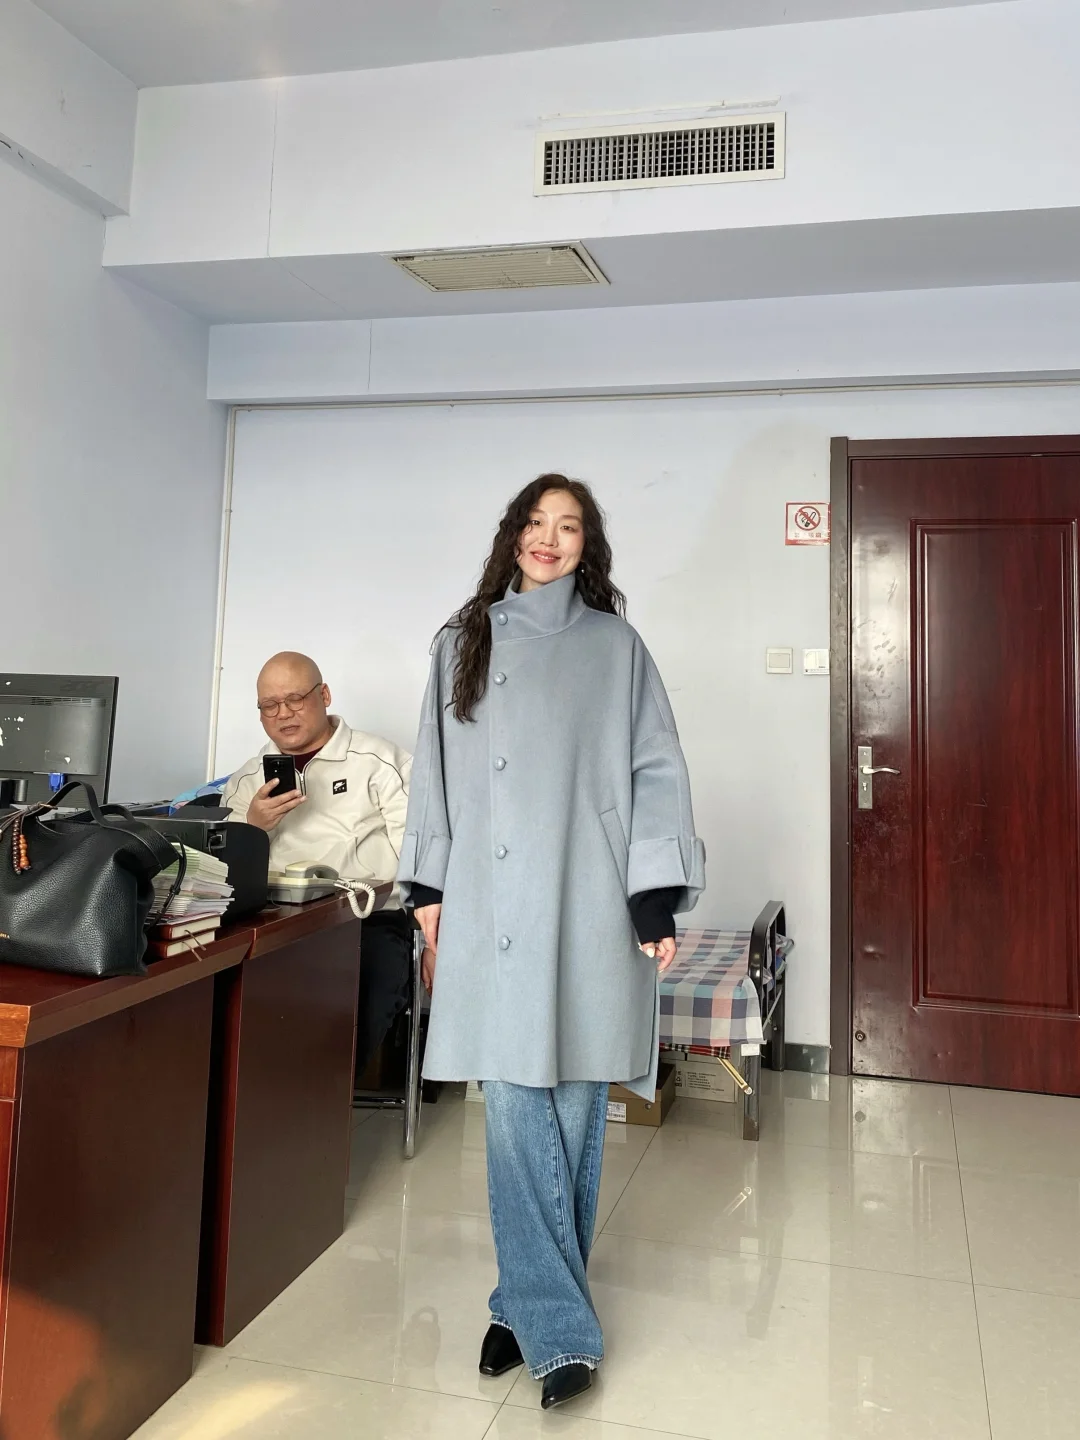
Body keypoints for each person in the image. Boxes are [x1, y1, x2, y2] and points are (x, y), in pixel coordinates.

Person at [398, 476, 705, 1409]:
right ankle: (560, 1330)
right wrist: (428, 888)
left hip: (588, 896)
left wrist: (653, 900)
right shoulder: (464, 640)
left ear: (587, 546)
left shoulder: (616, 647)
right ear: (513, 536)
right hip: (491, 901)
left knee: (573, 1107)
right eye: (537, 522)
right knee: (514, 1102)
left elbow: (657, 768)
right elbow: (434, 772)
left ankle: (516, 1304)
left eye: (569, 527)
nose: (550, 538)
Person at [223, 652, 413, 1077]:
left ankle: (320, 1102)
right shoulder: (246, 780)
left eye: (294, 699)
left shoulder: (379, 761)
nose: (283, 714)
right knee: (222, 991)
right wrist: (254, 826)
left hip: (365, 917)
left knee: (361, 998)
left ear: (324, 694)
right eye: (269, 705)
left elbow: (420, 853)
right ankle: (261, 1101)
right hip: (274, 921)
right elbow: (223, 874)